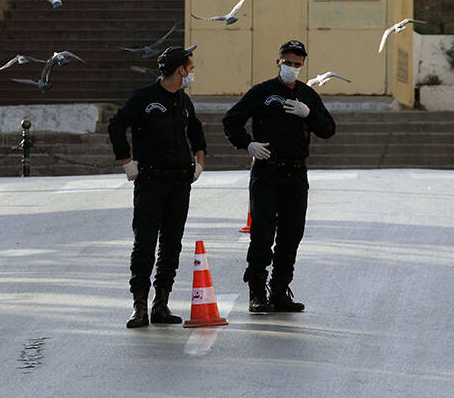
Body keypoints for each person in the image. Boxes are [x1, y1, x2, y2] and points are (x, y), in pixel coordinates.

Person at [222, 40, 336, 313]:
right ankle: (257, 291)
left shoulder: (307, 95)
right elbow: (231, 120)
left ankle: (280, 290)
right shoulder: (263, 92)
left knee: (291, 234)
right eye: (288, 63)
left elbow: (329, 129)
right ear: (278, 62)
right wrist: (247, 143)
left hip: (296, 174)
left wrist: (309, 115)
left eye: (298, 64)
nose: (292, 68)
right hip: (267, 172)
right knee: (262, 233)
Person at [108, 45, 207, 328]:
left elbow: (197, 134)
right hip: (151, 181)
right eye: (190, 68)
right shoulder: (145, 98)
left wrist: (199, 163)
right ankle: (139, 304)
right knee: (145, 243)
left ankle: (161, 303)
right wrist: (127, 160)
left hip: (180, 182)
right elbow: (117, 125)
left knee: (171, 244)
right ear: (180, 70)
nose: (191, 73)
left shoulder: (184, 102)